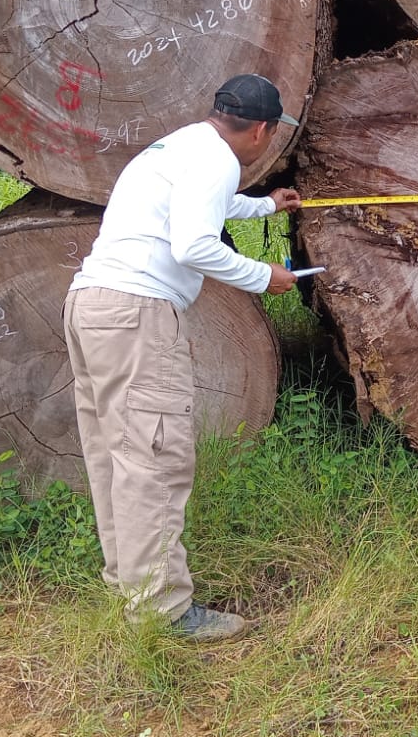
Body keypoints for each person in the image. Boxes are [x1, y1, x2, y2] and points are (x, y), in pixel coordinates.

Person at [64, 74, 303, 641]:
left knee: (116, 455)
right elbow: (193, 244)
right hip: (138, 316)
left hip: (92, 306)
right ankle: (164, 612)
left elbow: (192, 207)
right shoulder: (218, 160)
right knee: (154, 460)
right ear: (263, 131)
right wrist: (261, 276)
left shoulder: (180, 145)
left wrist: (264, 205)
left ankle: (132, 584)